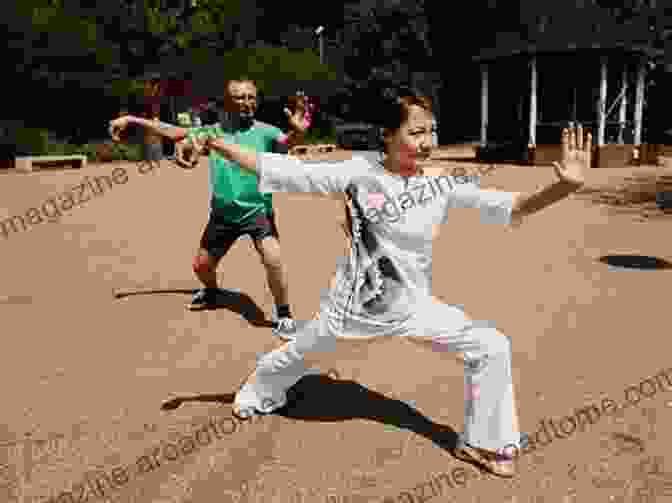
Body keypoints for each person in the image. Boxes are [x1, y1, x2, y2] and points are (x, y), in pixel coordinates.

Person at [191, 86, 590, 478]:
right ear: (388, 134)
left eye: (432, 131)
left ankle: (482, 441)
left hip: (413, 307)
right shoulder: (359, 173)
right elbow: (280, 169)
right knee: (299, 354)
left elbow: (514, 206)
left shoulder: (441, 183)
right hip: (352, 309)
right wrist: (217, 144)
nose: (428, 142)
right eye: (416, 132)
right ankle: (256, 391)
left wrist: (563, 187)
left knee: (491, 346)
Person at [108, 78, 310, 339]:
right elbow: (171, 131)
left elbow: (287, 143)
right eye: (240, 97)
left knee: (273, 258)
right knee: (201, 267)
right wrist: (133, 120)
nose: (247, 102)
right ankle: (212, 292)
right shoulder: (212, 132)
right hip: (223, 214)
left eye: (251, 97)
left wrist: (299, 132)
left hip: (258, 212)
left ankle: (285, 317)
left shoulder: (266, 132)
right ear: (227, 102)